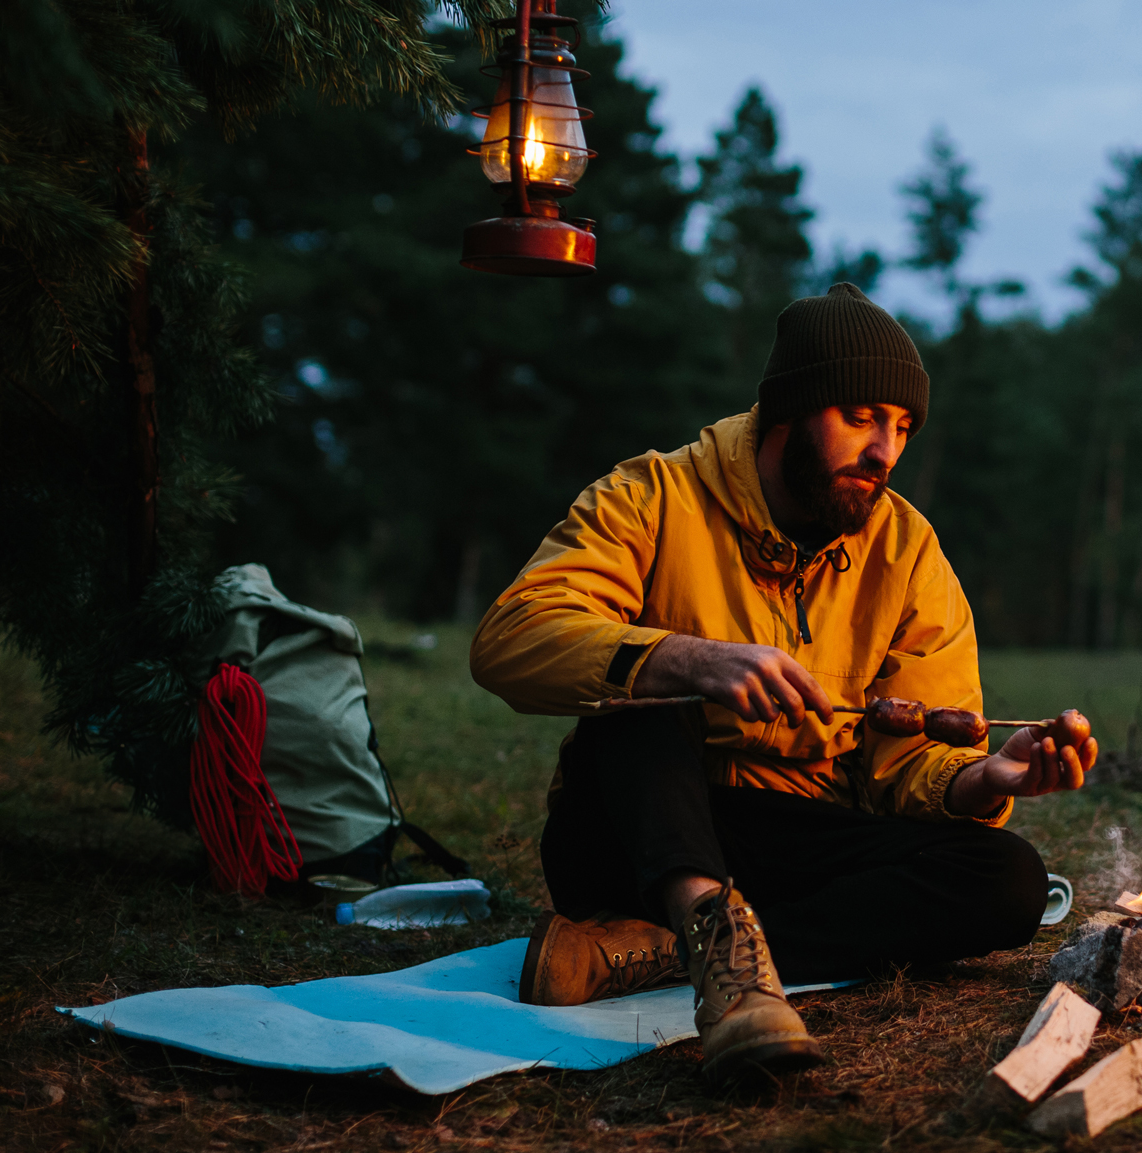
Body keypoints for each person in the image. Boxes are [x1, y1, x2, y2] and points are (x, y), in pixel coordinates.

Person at [469, 283, 1099, 1086]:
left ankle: (663, 951)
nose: (886, 451)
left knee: (1005, 878)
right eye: (863, 417)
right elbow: (508, 639)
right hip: (634, 833)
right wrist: (689, 658)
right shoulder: (653, 496)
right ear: (792, 410)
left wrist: (984, 779)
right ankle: (717, 952)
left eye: (902, 427)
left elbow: (902, 766)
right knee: (645, 695)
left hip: (795, 842)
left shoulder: (904, 550)